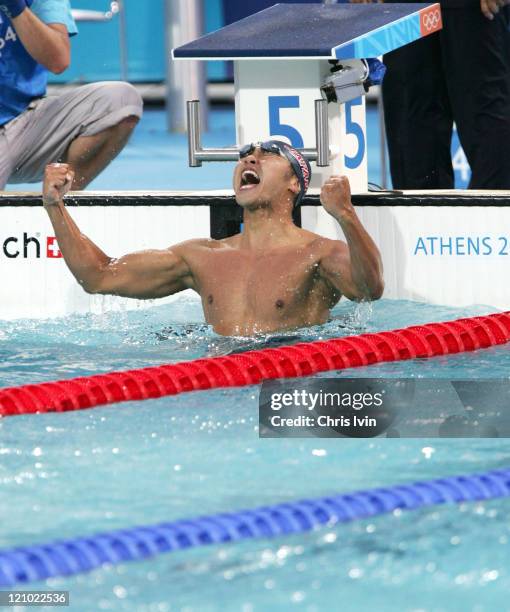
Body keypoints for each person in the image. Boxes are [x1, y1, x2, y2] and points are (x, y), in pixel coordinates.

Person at [41, 141, 384, 336]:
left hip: (292, 378)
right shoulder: (202, 257)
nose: (250, 158)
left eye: (268, 153)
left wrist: (346, 215)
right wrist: (54, 206)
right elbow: (99, 276)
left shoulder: (318, 253)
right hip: (217, 382)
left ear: (295, 183)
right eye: (247, 154)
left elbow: (370, 290)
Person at [352, 0, 510, 189]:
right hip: (406, 8)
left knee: (492, 139)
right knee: (412, 142)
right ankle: (421, 218)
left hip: (474, 8)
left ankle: (495, 217)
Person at [0, 0, 143, 191]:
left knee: (122, 100)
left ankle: (59, 203)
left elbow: (58, 60)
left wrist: (16, 8)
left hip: (24, 125)